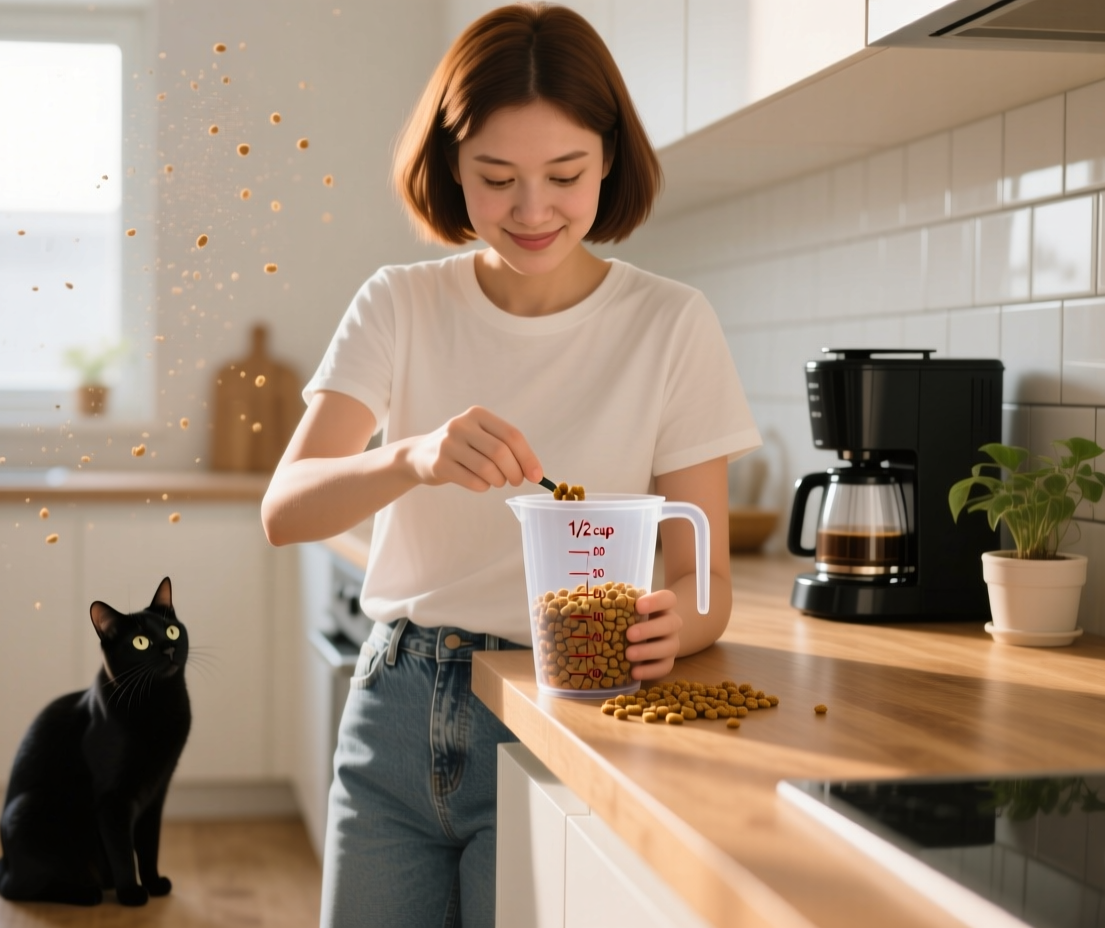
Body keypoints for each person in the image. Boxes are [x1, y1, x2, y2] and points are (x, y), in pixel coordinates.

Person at [260, 4, 759, 925]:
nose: (533, 212)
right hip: (396, 710)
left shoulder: (671, 323)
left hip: (564, 708)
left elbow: (705, 575)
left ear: (610, 158)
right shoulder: (401, 303)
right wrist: (409, 457)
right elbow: (284, 510)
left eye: (565, 175)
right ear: (452, 169)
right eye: (497, 179)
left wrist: (672, 629)